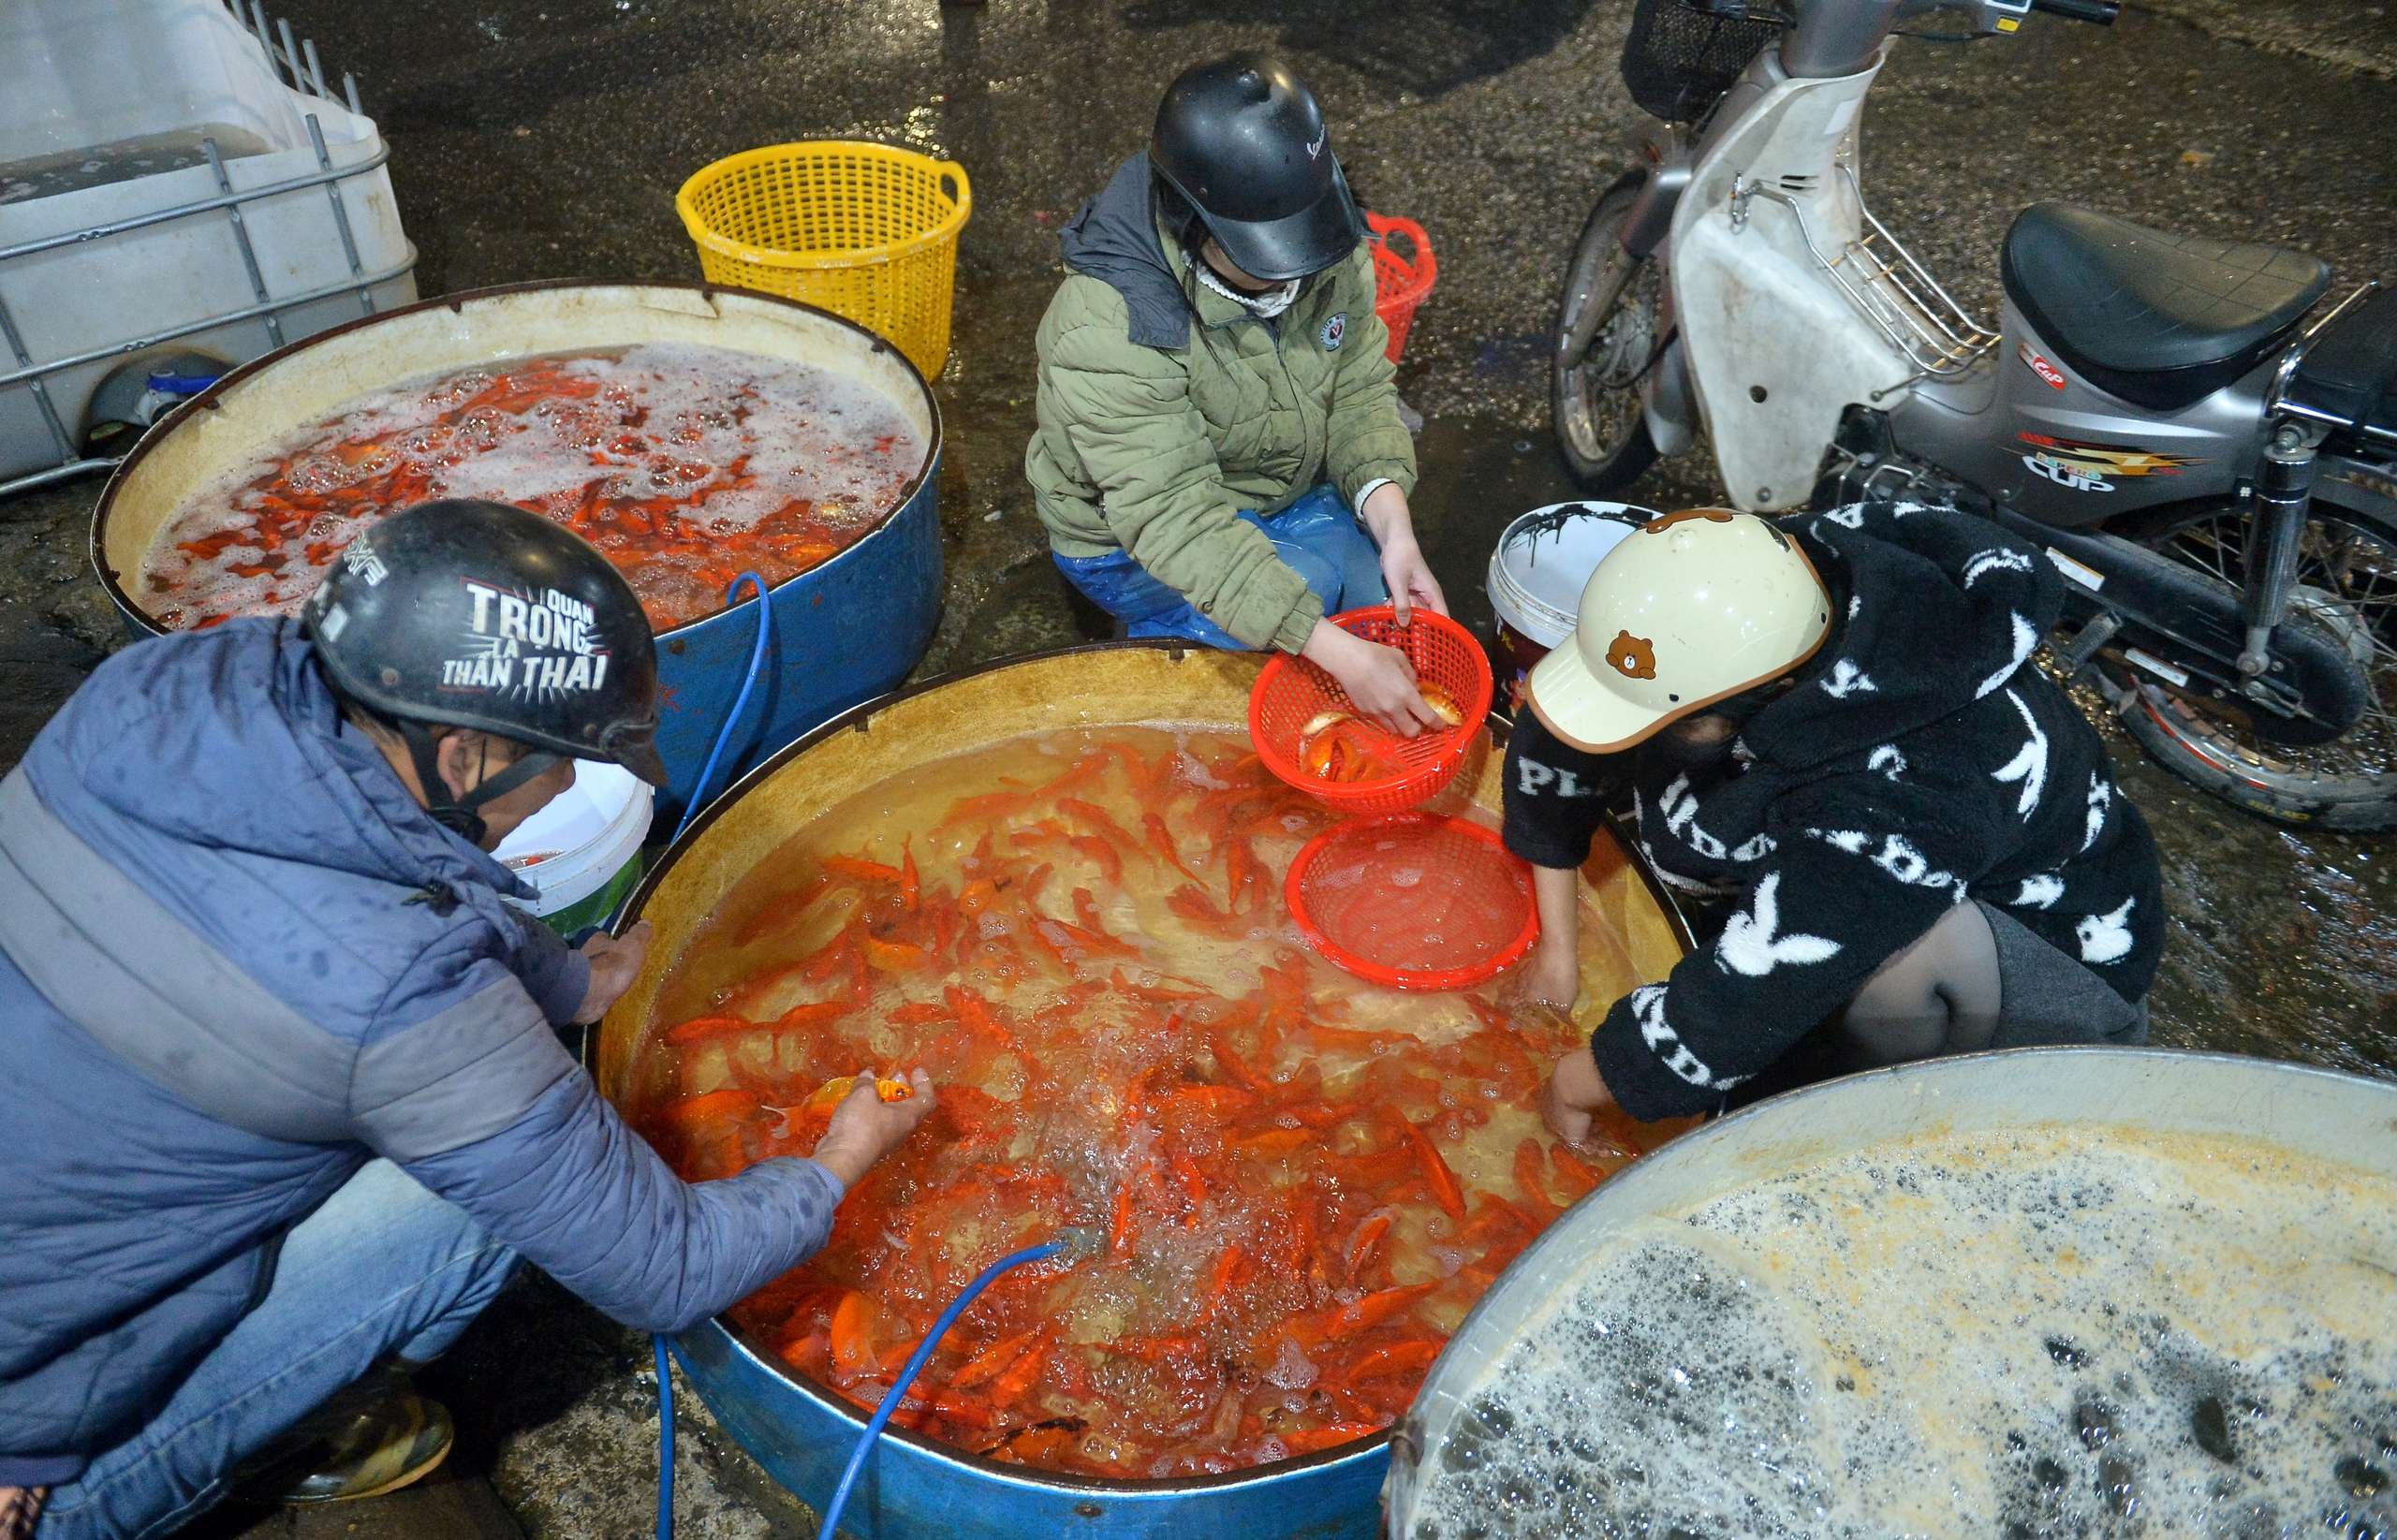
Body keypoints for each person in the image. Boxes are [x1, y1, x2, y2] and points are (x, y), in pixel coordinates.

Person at [0, 502, 935, 1540]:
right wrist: (844, 1152)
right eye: (559, 764)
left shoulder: (160, 690)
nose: (573, 788)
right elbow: (668, 1268)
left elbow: (400, 875)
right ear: (460, 758)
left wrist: (568, 981)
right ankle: (296, 1429)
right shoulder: (404, 991)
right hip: (32, 1456)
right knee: (498, 1195)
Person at [1497, 503, 2163, 1137]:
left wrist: (1578, 1081)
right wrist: (1560, 950)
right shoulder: (1747, 585)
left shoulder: (1910, 788)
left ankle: (1874, 1112)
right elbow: (1576, 725)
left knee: (1890, 966)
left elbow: (1755, 996)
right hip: (1873, 858)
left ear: (1774, 695)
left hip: (2042, 948)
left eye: (1687, 719)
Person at [1027, 50, 1449, 735]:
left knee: (1383, 594)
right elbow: (1175, 514)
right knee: (1309, 604)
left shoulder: (1317, 236)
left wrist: (1395, 526)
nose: (1296, 278)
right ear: (1194, 223)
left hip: (1271, 482)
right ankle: (1155, 643)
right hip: (1133, 535)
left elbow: (1361, 386)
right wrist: (1335, 652)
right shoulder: (1107, 321)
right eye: (1268, 258)